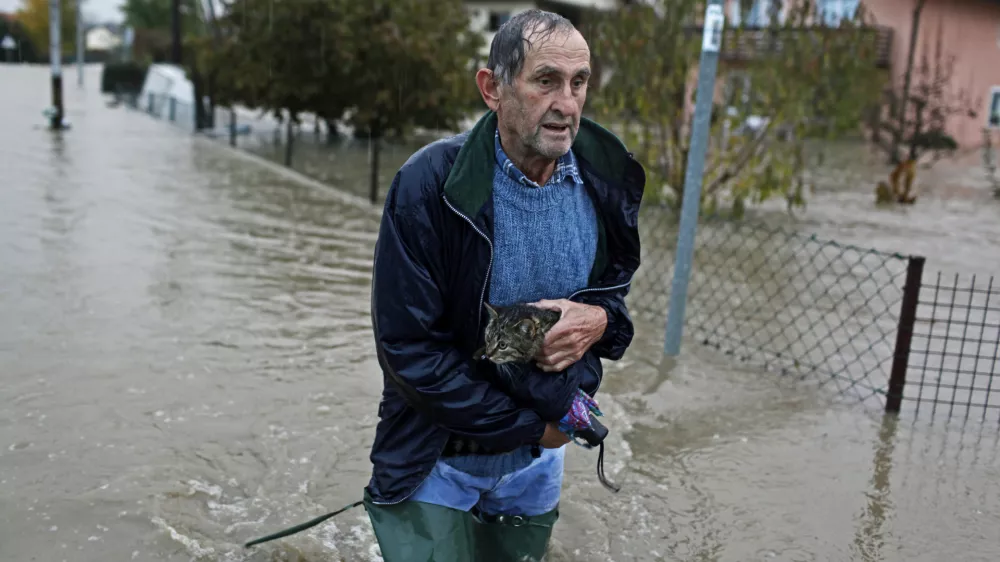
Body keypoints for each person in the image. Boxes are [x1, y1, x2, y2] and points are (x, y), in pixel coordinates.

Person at [364, 9, 645, 561]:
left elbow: (610, 300)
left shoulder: (604, 181)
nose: (567, 103)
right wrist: (534, 429)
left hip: (536, 470)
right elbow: (409, 351)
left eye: (579, 82)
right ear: (492, 88)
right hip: (437, 460)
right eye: (546, 81)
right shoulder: (427, 186)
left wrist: (604, 320)